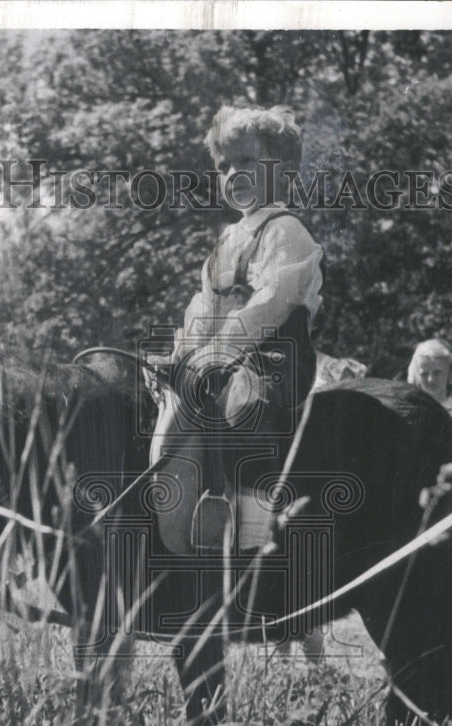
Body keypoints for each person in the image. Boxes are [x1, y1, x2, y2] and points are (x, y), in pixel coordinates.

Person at [147, 105, 324, 552]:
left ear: (280, 169)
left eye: (246, 161)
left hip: (273, 360)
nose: (233, 174)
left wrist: (216, 352)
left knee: (245, 409)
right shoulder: (227, 241)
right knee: (168, 403)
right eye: (224, 167)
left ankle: (252, 537)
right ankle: (176, 521)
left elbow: (270, 303)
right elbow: (204, 309)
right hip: (221, 363)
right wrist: (182, 353)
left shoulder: (286, 230)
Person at [407, 338, 452, 449]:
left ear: (449, 371)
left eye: (437, 372)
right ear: (416, 375)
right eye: (424, 374)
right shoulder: (408, 411)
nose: (431, 379)